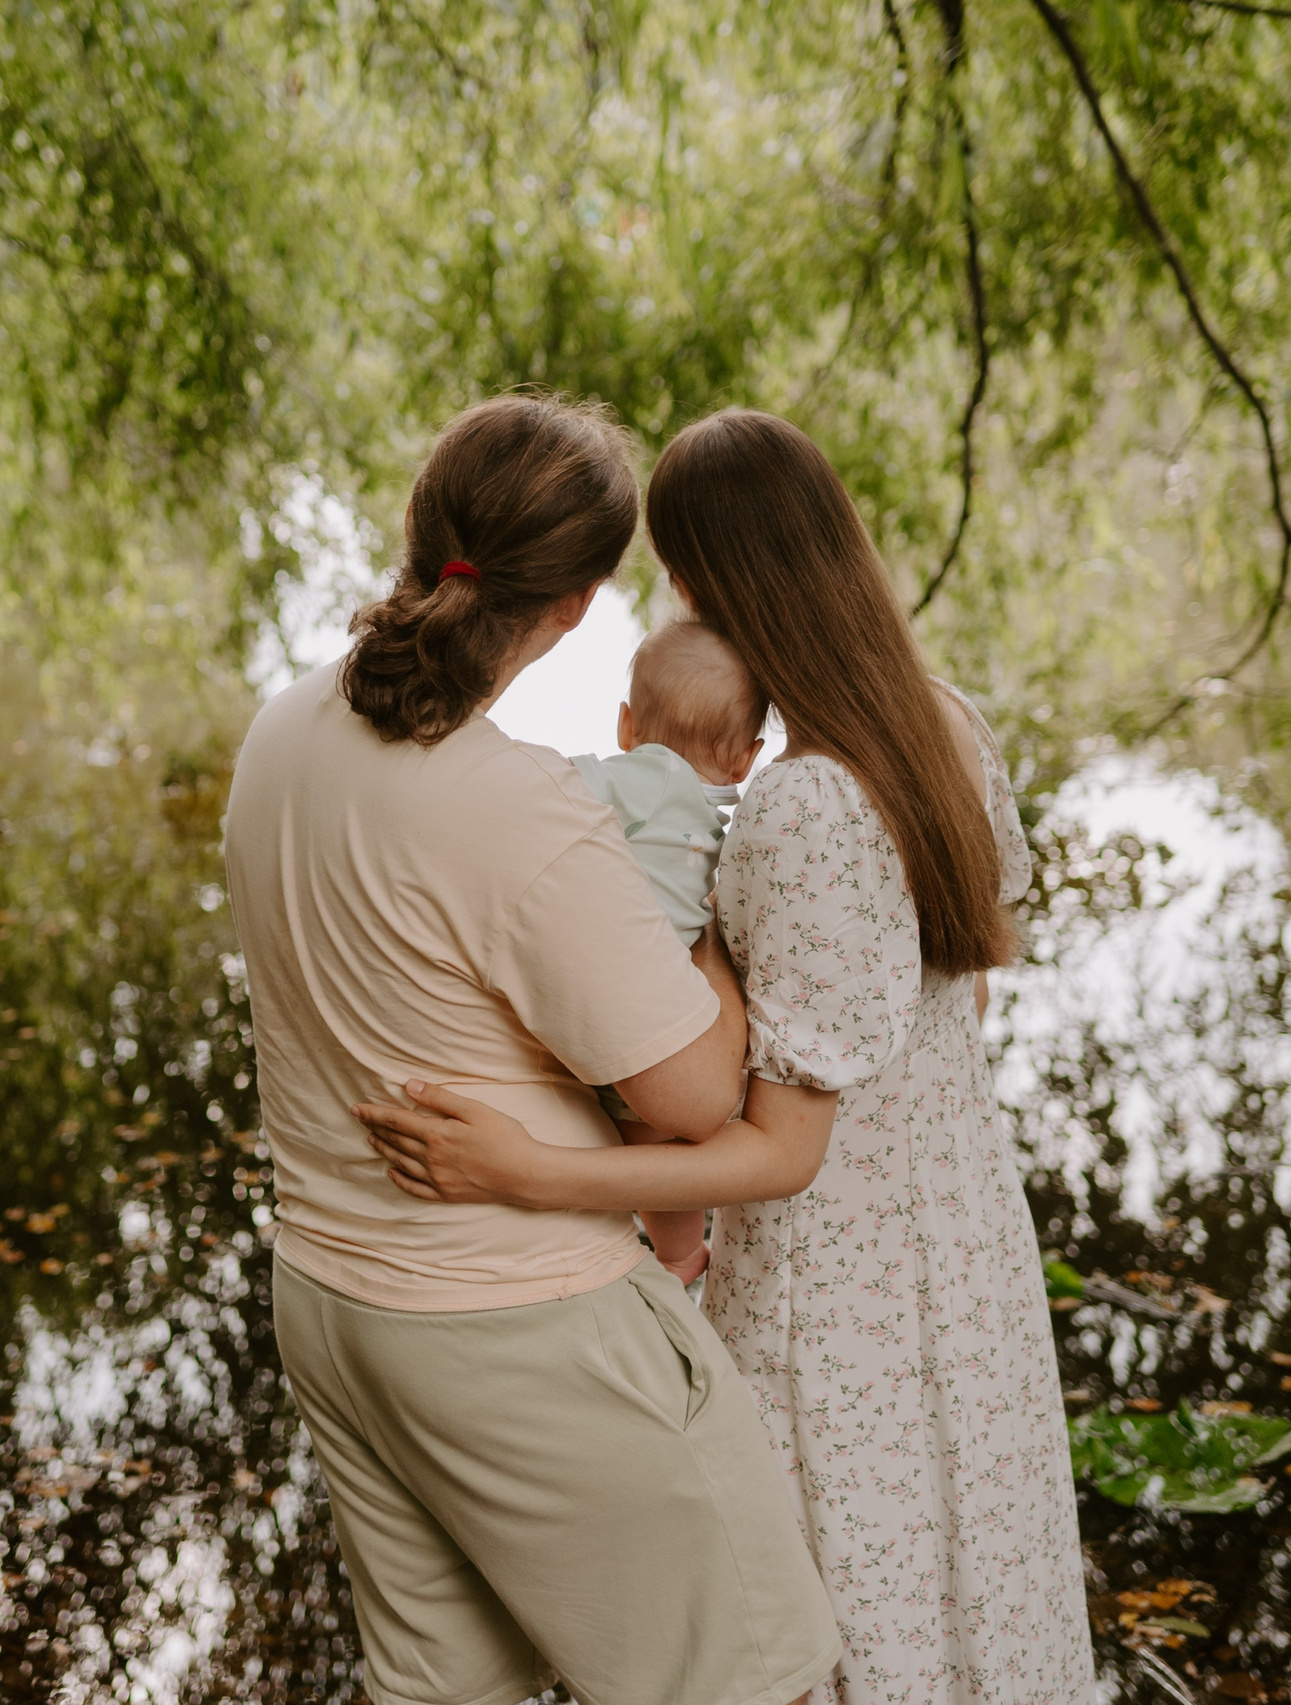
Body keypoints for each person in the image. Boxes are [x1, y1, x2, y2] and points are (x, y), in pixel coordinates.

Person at [357, 409, 1094, 1704]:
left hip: (834, 1293)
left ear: (705, 581)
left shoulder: (802, 806)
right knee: (969, 1576)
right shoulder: (946, 727)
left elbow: (782, 1151)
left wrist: (529, 1172)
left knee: (833, 1615)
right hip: (966, 1243)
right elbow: (950, 999)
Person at [223, 393, 843, 1705]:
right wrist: (701, 898)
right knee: (751, 1683)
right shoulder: (515, 803)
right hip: (517, 1325)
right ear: (577, 603)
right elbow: (696, 1096)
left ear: (421, 525)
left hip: (334, 1302)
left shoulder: (279, 731)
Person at [569, 620, 768, 1284]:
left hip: (612, 988)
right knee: (655, 1137)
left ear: (627, 725)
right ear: (746, 760)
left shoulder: (646, 775)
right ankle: (681, 1255)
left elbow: (551, 787)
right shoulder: (723, 825)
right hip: (670, 1006)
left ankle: (665, 1253)